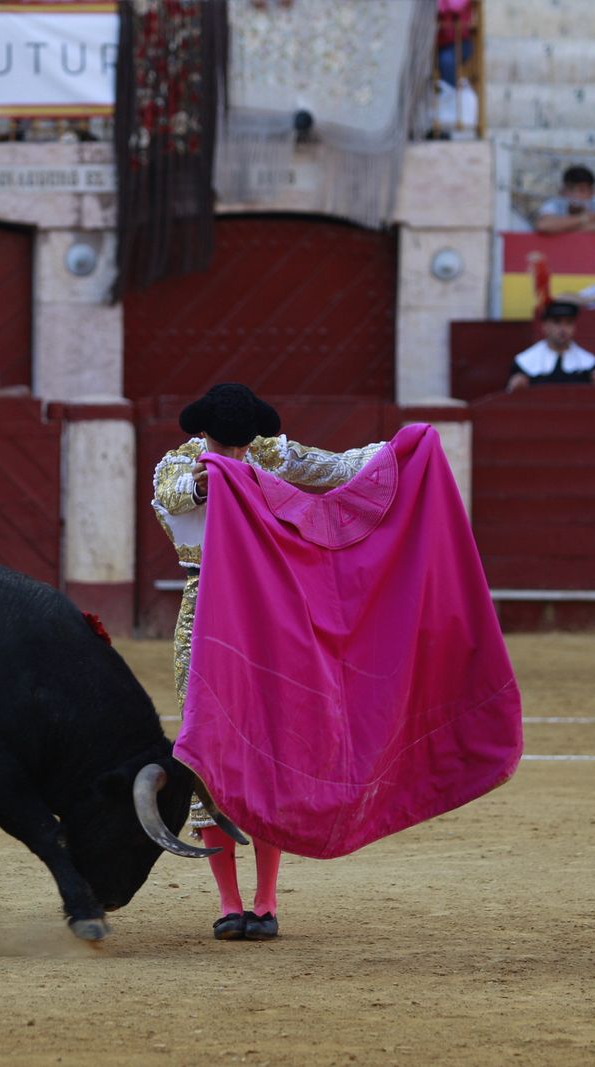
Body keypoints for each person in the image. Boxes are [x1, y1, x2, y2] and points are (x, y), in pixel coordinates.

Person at [151, 383, 387, 942]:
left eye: (242, 445)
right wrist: (208, 480)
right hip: (205, 610)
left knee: (269, 743)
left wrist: (403, 450)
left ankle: (265, 901)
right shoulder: (180, 466)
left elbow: (339, 467)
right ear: (203, 434)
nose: (236, 454)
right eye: (225, 445)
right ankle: (229, 903)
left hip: (266, 609)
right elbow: (174, 495)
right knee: (207, 747)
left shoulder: (269, 454)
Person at [505, 301, 595, 389]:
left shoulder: (590, 364)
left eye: (569, 323)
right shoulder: (524, 363)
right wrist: (514, 387)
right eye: (557, 322)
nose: (563, 329)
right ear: (544, 326)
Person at [535, 165, 595, 234]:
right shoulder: (554, 202)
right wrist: (583, 219)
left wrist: (561, 227)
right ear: (562, 191)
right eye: (570, 189)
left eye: (582, 190)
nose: (576, 195)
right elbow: (543, 226)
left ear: (592, 192)